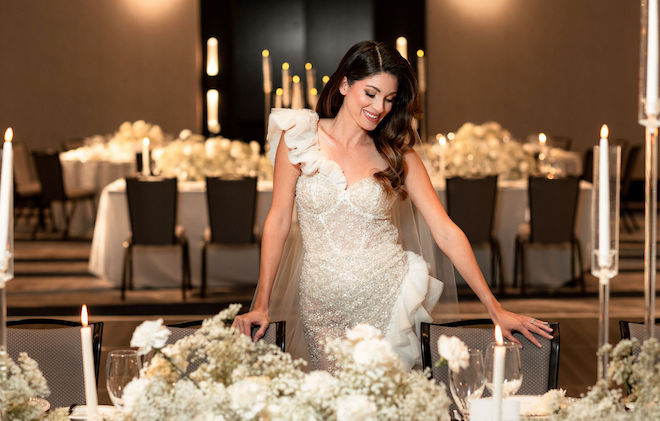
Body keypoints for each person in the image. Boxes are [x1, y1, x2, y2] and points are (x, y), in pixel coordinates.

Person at [233, 40, 553, 370]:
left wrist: (493, 307)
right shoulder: (299, 137)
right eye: (370, 93)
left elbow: (444, 230)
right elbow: (279, 220)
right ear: (344, 84)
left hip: (388, 299)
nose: (379, 107)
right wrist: (261, 302)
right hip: (321, 307)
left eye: (388, 98)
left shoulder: (398, 154)